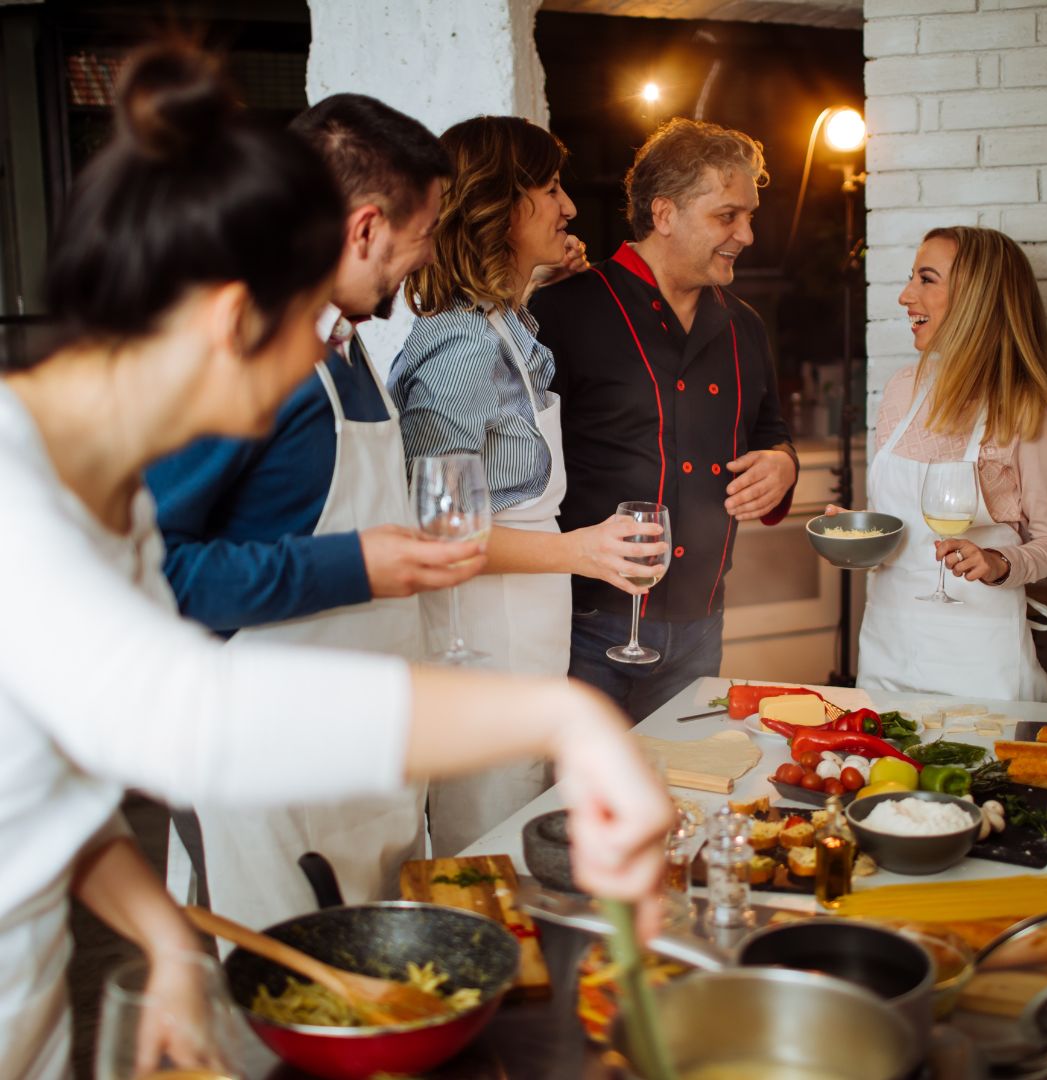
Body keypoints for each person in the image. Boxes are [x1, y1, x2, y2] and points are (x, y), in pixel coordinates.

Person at [0, 43, 673, 1079]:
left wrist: (174, 939)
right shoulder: (20, 499)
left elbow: (68, 794)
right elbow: (189, 720)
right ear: (232, 322)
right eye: (296, 354)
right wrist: (563, 717)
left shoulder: (111, 500)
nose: (319, 368)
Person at [145, 93, 483, 931]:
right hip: (264, 773)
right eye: (426, 230)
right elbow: (152, 568)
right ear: (365, 228)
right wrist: (357, 564)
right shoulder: (242, 345)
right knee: (284, 1018)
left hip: (355, 760)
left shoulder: (343, 336)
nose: (426, 254)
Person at [389, 116, 668, 854]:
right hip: (481, 633)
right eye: (548, 188)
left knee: (518, 809)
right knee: (484, 834)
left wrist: (535, 277)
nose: (569, 207)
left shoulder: (502, 325)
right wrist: (585, 552)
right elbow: (435, 532)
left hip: (525, 622)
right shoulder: (460, 345)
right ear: (500, 208)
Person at [528, 118, 798, 723]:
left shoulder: (745, 326)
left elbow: (769, 430)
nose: (747, 235)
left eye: (750, 216)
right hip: (587, 628)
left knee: (682, 799)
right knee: (581, 807)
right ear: (665, 212)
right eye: (728, 216)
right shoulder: (563, 309)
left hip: (704, 624)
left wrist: (782, 463)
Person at [841, 226, 1047, 701]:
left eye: (927, 279)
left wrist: (997, 562)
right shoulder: (902, 391)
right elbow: (898, 528)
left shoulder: (1026, 409)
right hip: (888, 648)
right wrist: (858, 534)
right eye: (911, 278)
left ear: (977, 298)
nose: (907, 296)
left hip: (980, 662)